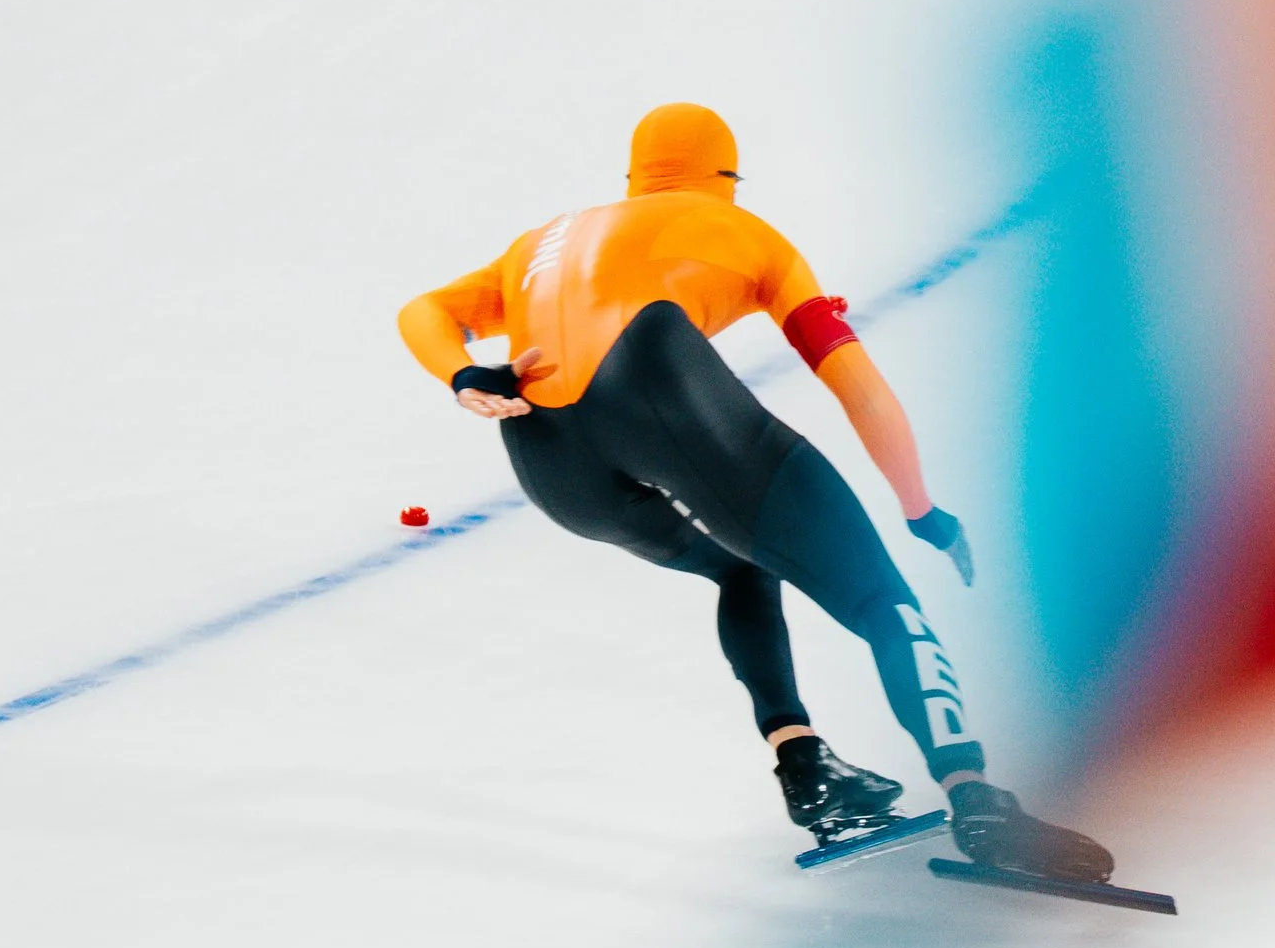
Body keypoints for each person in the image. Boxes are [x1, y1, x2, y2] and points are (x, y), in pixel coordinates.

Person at [396, 103, 1113, 883]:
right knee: (884, 603)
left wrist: (464, 375)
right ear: (726, 179)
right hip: (656, 383)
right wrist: (921, 509)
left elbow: (421, 310)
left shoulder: (542, 241)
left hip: (545, 453)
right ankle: (975, 797)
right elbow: (861, 392)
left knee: (738, 567)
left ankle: (804, 765)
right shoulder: (751, 236)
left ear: (634, 179)